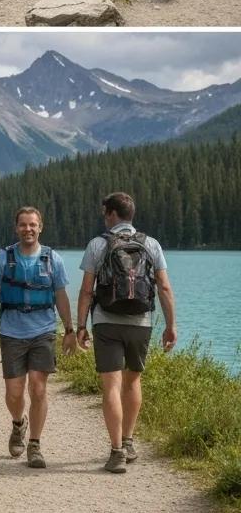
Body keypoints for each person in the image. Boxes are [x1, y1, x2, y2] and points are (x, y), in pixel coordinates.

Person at [76, 192, 177, 474]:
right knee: (132, 381)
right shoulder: (151, 244)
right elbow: (164, 287)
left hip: (106, 321)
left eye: (104, 213)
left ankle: (116, 451)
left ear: (111, 214)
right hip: (141, 322)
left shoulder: (98, 244)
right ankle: (129, 441)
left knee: (111, 385)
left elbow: (86, 291)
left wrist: (81, 326)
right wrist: (171, 326)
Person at [0, 207, 76, 469]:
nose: (28, 229)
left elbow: (61, 296)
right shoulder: (3, 258)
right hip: (11, 331)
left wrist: (69, 330)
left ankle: (34, 444)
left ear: (40, 227)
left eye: (32, 225)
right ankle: (18, 423)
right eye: (23, 225)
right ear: (16, 228)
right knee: (14, 392)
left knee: (38, 387)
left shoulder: (53, 259)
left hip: (43, 330)